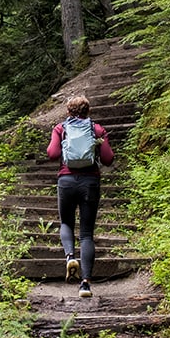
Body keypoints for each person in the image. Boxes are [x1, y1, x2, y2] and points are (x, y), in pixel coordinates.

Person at [46, 96, 114, 298]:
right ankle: (85, 284)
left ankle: (69, 258)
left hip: (66, 181)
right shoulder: (97, 129)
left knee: (66, 222)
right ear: (87, 111)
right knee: (86, 234)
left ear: (68, 111)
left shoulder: (61, 128)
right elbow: (108, 159)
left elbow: (52, 153)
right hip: (90, 183)